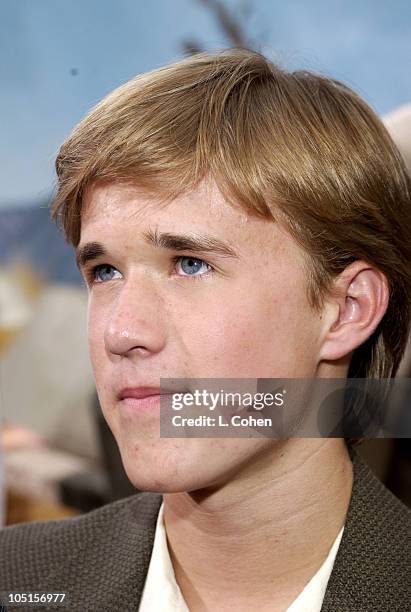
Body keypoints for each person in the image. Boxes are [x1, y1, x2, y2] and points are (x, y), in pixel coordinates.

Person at [1, 48, 410, 612]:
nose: (121, 330)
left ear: (346, 310)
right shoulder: (15, 580)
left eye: (191, 263)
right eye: (104, 271)